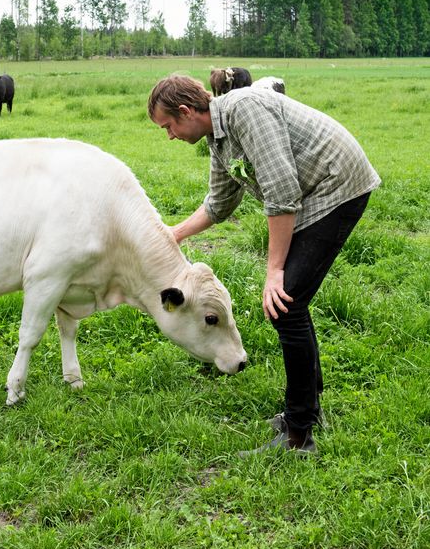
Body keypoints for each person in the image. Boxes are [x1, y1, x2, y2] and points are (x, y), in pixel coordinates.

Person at [148, 74, 380, 455]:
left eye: (168, 126)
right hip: (312, 196)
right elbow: (219, 204)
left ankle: (299, 435)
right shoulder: (218, 140)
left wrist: (275, 272)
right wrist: (175, 234)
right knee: (289, 305)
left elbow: (282, 191)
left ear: (186, 111)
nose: (169, 135)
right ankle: (307, 410)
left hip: (338, 186)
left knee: (285, 304)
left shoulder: (243, 110)